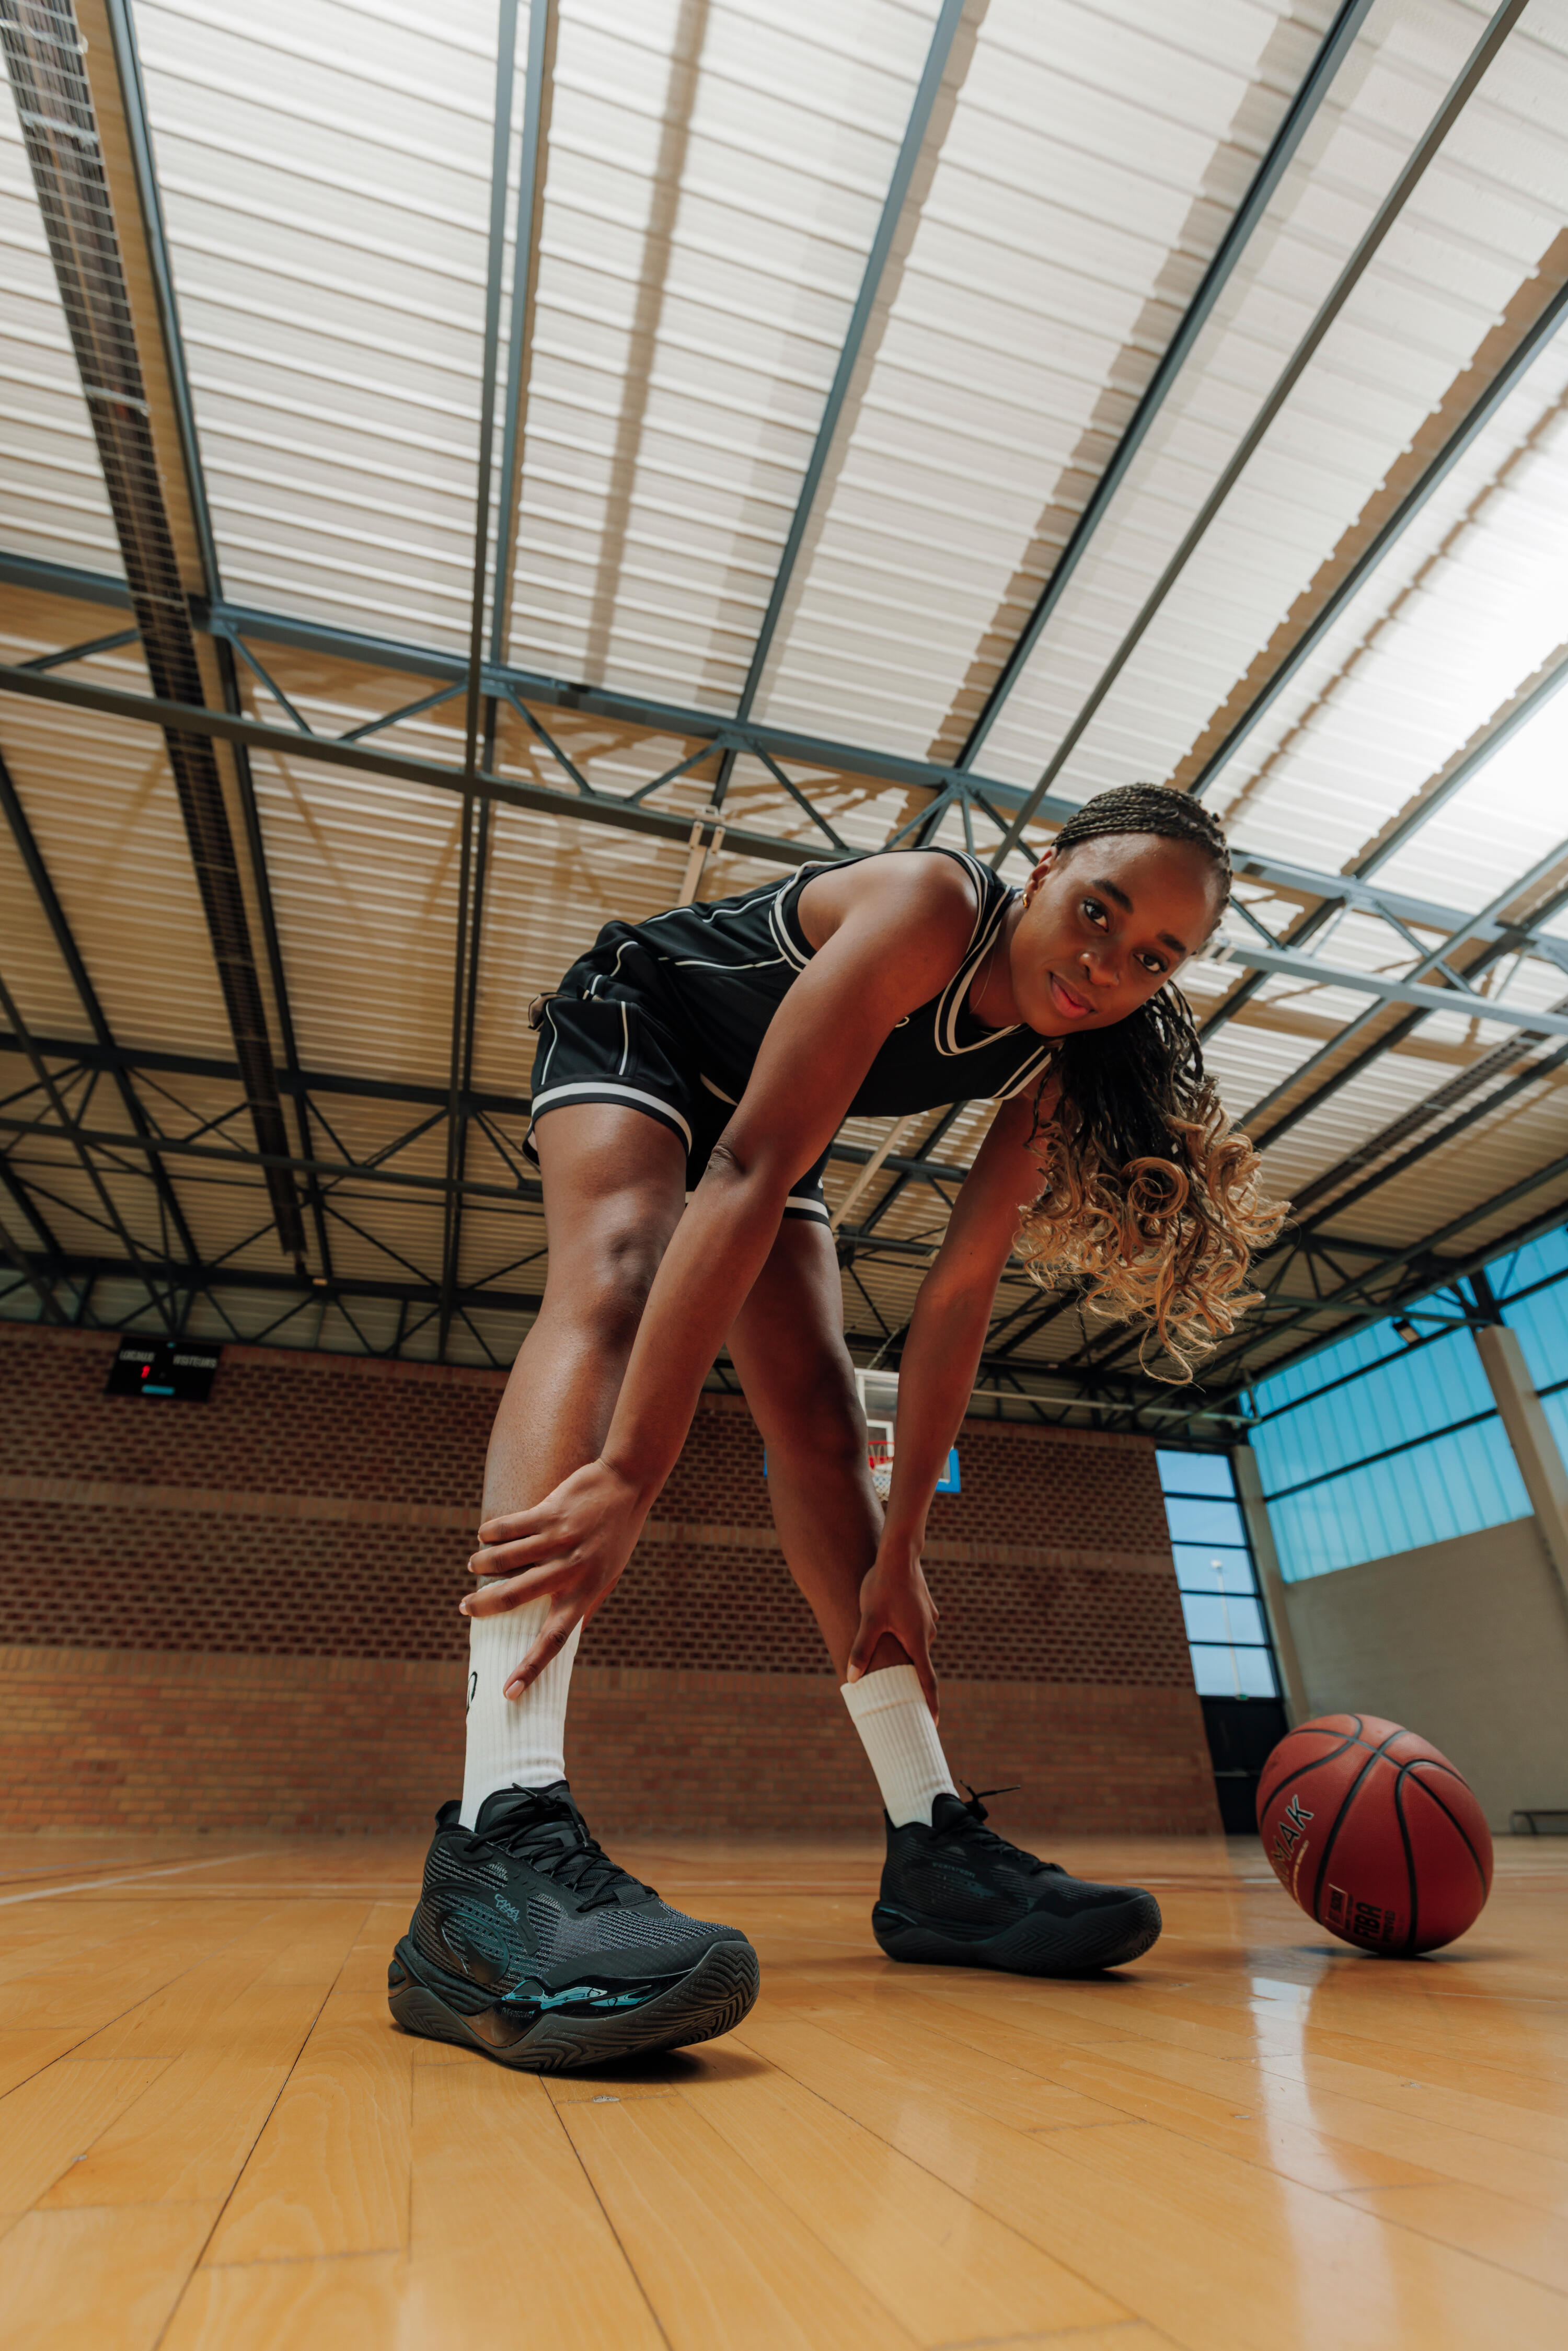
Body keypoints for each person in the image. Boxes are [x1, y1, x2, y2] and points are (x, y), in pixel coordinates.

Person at [388, 784, 1283, 2071]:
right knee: (621, 1273)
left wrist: (904, 1536)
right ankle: (495, 1829)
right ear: (1040, 872)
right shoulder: (931, 905)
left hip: (770, 1107)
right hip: (644, 1030)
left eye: (1155, 957)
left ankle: (932, 1842)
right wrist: (633, 1469)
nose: (1108, 963)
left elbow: (958, 1296)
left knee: (817, 1402)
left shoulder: (1053, 1056)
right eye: (1100, 911)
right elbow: (743, 1169)